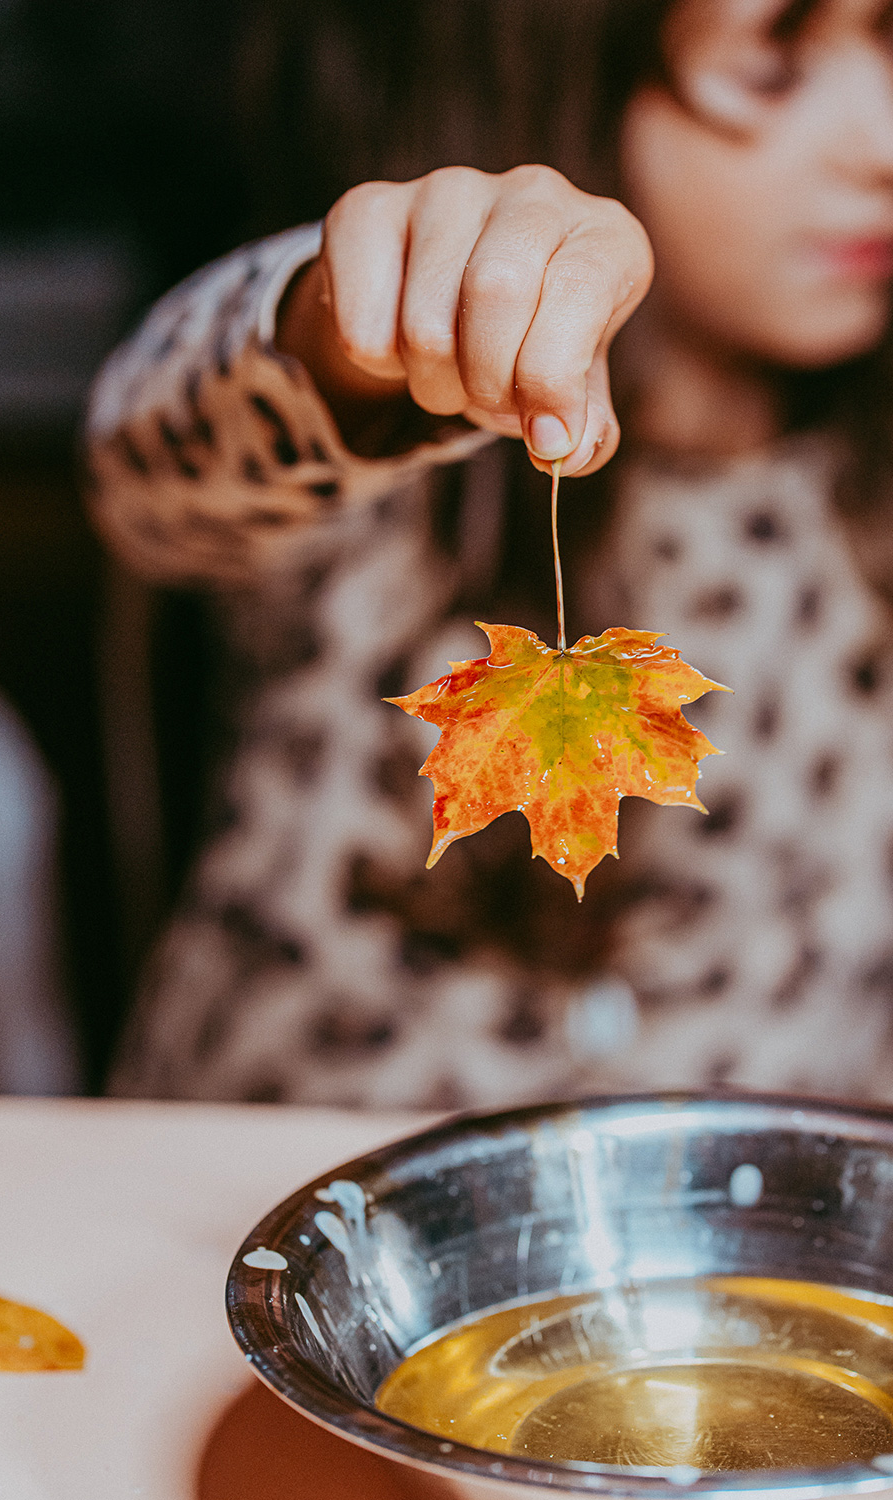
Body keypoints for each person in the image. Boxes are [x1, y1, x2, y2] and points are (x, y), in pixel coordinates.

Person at [86, 0, 893, 1109]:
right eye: (770, 64)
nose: (883, 143)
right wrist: (354, 330)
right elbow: (155, 472)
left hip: (748, 1223)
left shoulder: (861, 476)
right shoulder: (384, 472)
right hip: (286, 1187)